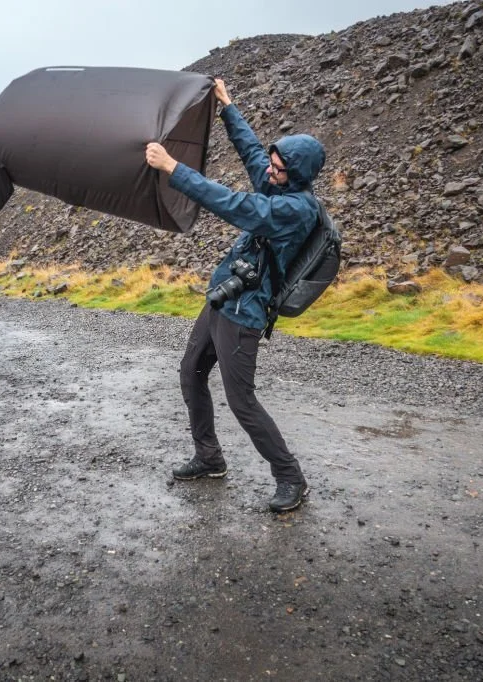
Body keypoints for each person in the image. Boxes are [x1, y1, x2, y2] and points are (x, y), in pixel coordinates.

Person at [145, 78, 326, 513]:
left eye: (279, 168)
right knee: (191, 372)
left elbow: (233, 204)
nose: (269, 170)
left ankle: (291, 478)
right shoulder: (279, 185)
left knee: (242, 400)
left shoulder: (294, 209)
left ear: (296, 174)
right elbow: (253, 155)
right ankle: (209, 458)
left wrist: (173, 168)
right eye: (274, 164)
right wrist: (228, 108)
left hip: (245, 312)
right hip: (224, 297)